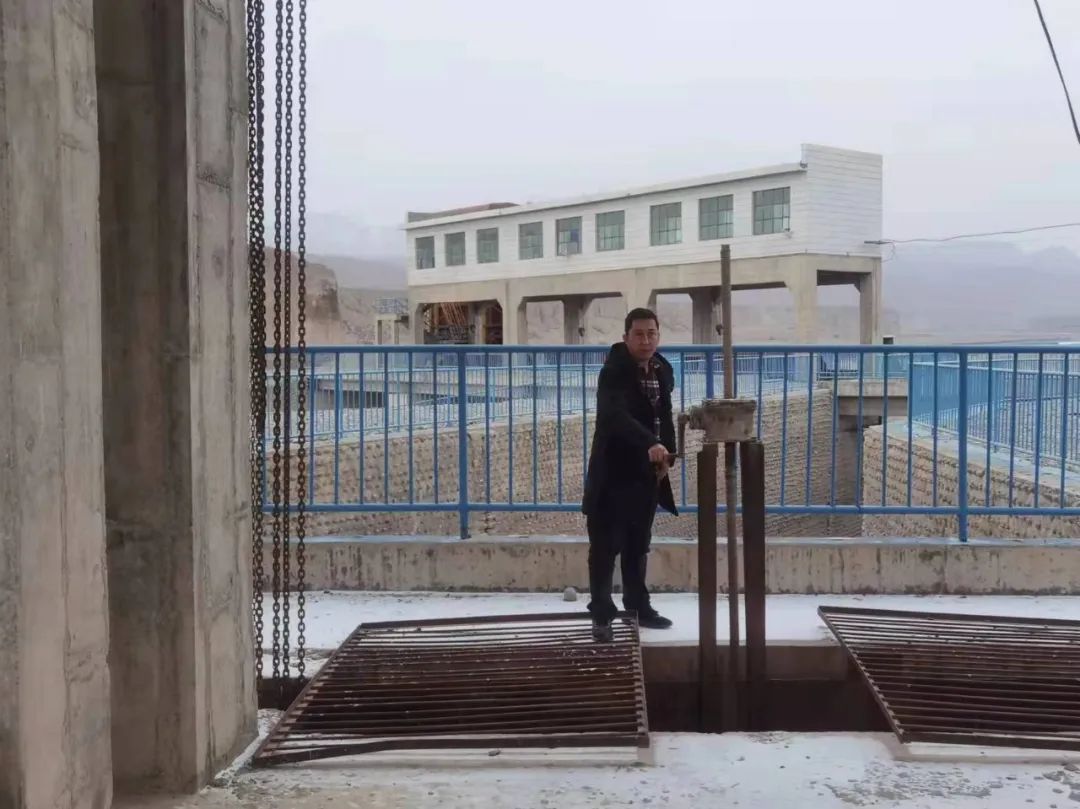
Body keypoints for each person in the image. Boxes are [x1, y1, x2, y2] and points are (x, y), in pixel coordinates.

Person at [582, 307, 677, 641]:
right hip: (612, 473)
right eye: (639, 334)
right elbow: (614, 416)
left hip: (645, 473)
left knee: (638, 545)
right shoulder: (613, 372)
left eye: (652, 334)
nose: (646, 340)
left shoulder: (662, 369)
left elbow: (664, 416)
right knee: (605, 548)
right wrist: (650, 442)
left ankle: (638, 607)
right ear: (625, 337)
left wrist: (668, 454)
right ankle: (602, 616)